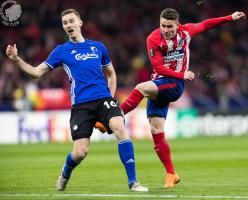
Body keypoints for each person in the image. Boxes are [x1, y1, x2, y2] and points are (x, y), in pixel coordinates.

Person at [96, 8, 246, 188]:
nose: (165, 30)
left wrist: (230, 17)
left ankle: (109, 120)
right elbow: (158, 68)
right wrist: (182, 73)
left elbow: (206, 24)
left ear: (178, 25)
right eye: (162, 26)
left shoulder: (186, 32)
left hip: (174, 85)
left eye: (169, 27)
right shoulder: (153, 38)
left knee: (140, 88)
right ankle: (171, 174)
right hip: (160, 83)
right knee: (156, 130)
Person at [6, 8, 148, 192]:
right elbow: (36, 73)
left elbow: (111, 75)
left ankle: (133, 182)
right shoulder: (61, 51)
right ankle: (65, 172)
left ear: (80, 23)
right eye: (65, 23)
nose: (68, 25)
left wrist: (110, 98)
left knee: (119, 127)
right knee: (81, 152)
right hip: (81, 105)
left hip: (104, 99)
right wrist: (16, 60)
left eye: (71, 21)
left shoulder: (98, 47)